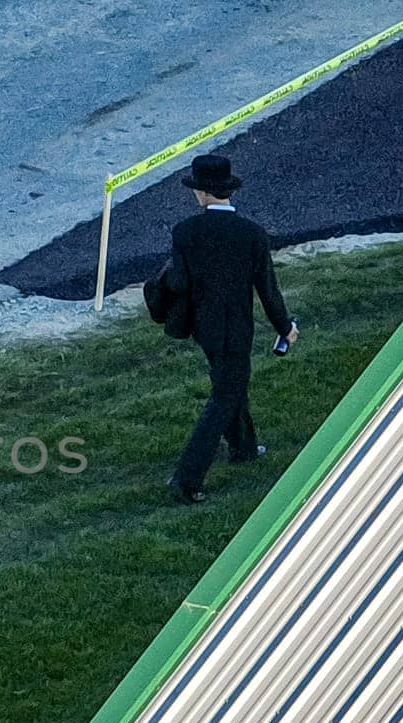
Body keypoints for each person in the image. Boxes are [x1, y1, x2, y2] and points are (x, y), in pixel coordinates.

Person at [150, 154, 298, 504]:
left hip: (203, 327)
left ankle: (243, 447)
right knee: (226, 395)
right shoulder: (252, 234)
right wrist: (285, 327)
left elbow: (180, 281)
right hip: (237, 327)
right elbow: (268, 290)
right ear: (227, 191)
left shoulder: (185, 232)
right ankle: (187, 480)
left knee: (229, 383)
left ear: (201, 193)